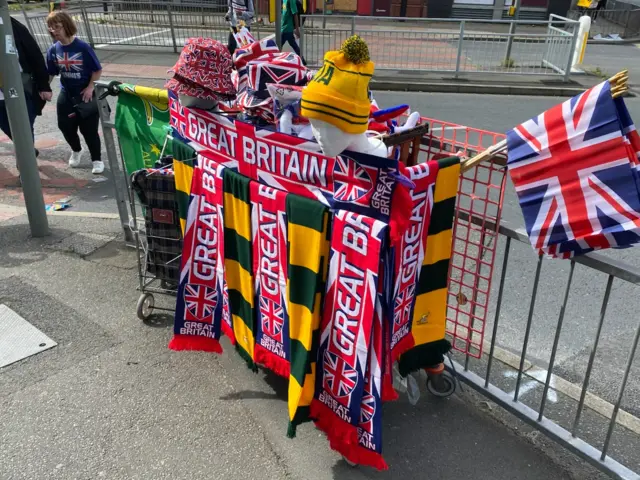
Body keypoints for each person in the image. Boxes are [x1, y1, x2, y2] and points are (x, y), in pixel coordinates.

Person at [46, 11, 104, 174]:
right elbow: (50, 72)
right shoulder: (53, 50)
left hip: (85, 93)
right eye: (51, 28)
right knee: (65, 126)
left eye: (57, 27)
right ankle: (76, 150)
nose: (54, 31)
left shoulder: (82, 47)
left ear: (66, 26)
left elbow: (97, 70)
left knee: (89, 130)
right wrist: (44, 88)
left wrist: (90, 87)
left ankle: (97, 160)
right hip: (66, 93)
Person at [0, 17, 53, 158]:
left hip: (20, 85)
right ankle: (27, 148)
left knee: (24, 125)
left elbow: (34, 55)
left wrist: (44, 86)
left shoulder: (14, 26)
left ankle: (26, 165)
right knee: (5, 123)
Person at [281, 0, 306, 65]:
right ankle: (303, 61)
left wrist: (297, 29)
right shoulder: (283, 0)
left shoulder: (291, 1)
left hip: (287, 28)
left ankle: (274, 62)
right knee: (293, 44)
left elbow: (295, 14)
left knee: (278, 46)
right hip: (283, 27)